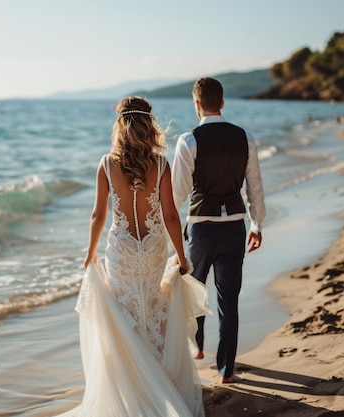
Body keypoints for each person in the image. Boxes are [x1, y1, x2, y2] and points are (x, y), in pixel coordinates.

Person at [61, 96, 206, 417]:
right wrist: (182, 257)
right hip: (153, 247)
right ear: (148, 125)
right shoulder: (161, 163)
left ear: (120, 126)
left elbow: (98, 215)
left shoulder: (107, 164)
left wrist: (90, 254)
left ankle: (134, 387)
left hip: (122, 250)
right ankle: (156, 378)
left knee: (126, 311)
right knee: (151, 306)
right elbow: (170, 215)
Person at [172, 77, 266, 384]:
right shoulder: (246, 137)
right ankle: (226, 369)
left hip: (201, 229)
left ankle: (197, 347)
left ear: (196, 104)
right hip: (234, 229)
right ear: (222, 102)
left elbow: (178, 192)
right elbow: (255, 187)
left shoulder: (189, 141)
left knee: (194, 290)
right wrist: (257, 223)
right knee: (229, 300)